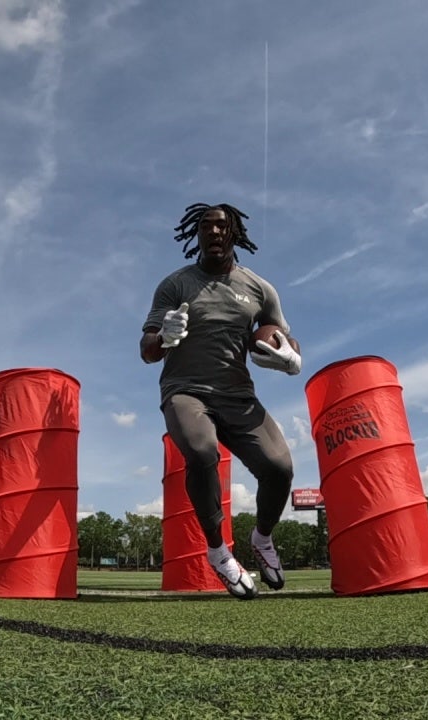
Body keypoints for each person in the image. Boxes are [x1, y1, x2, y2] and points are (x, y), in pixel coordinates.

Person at [140, 202, 303, 600]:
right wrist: (164, 337)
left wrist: (291, 358)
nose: (214, 232)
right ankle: (217, 550)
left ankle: (262, 540)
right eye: (206, 226)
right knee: (201, 451)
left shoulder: (259, 288)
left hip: (238, 395)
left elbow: (282, 336)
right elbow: (146, 350)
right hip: (185, 390)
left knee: (280, 468)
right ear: (196, 235)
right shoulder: (175, 284)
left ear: (235, 235)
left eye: (222, 226)